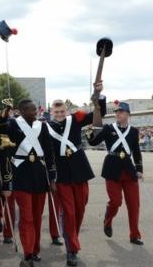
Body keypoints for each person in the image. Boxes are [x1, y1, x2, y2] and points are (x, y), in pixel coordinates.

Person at [46, 83, 105, 266]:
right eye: (56, 112)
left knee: (80, 209)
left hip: (80, 170)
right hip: (62, 175)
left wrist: (98, 95)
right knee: (69, 213)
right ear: (51, 113)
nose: (60, 115)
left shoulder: (76, 119)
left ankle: (73, 238)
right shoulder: (44, 128)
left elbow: (98, 114)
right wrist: (50, 176)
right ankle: (72, 249)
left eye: (62, 111)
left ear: (67, 110)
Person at [0, 99, 56, 267]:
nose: (35, 112)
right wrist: (5, 112)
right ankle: (27, 253)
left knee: (36, 217)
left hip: (39, 174)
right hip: (21, 173)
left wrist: (52, 177)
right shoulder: (13, 124)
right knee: (27, 217)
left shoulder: (42, 126)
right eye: (31, 109)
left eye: (35, 109)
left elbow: (49, 152)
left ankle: (35, 250)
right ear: (21, 110)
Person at [88, 100, 144, 245]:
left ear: (128, 114)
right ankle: (108, 219)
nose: (117, 114)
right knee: (116, 201)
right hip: (112, 168)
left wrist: (139, 169)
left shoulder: (133, 131)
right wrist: (89, 132)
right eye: (116, 112)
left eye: (121, 112)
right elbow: (93, 142)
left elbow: (137, 152)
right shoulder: (108, 128)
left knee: (134, 204)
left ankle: (134, 235)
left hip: (129, 169)